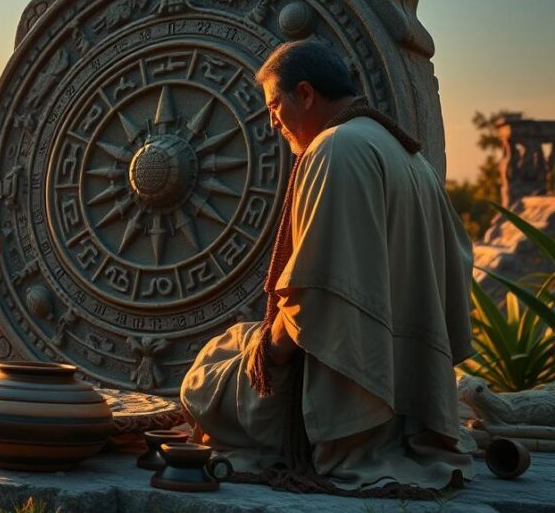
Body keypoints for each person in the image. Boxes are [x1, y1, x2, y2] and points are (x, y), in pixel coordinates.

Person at [179, 40, 475, 495]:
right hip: (407, 393)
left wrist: (267, 355)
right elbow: (456, 262)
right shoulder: (411, 157)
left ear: (306, 93)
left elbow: (314, 292)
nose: (272, 121)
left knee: (206, 376)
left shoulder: (334, 148)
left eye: (275, 106)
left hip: (352, 399)